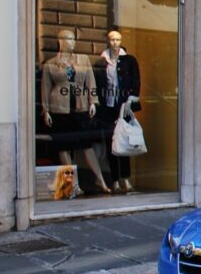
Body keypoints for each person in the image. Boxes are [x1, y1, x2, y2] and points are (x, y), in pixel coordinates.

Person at [40, 29, 110, 194]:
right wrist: (46, 110)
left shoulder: (83, 59)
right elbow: (45, 87)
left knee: (86, 145)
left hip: (80, 105)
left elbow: (90, 82)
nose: (72, 42)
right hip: (59, 107)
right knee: (63, 146)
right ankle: (74, 184)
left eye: (73, 39)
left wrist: (93, 101)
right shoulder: (51, 63)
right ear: (61, 41)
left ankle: (100, 180)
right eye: (69, 39)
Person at [94, 30, 142, 193]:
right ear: (108, 41)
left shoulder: (129, 60)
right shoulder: (101, 62)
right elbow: (98, 85)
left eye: (118, 39)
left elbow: (136, 81)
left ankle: (126, 179)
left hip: (124, 106)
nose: (115, 42)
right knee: (111, 144)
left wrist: (131, 99)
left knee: (125, 141)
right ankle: (114, 180)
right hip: (107, 107)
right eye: (112, 40)